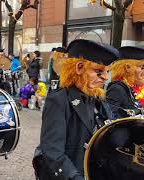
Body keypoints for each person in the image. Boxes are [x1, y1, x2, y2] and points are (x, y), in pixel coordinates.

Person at [34, 39, 119, 180]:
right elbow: (53, 152)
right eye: (98, 71)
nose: (105, 77)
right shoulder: (59, 100)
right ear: (79, 67)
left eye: (107, 72)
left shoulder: (98, 99)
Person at [106, 46, 144, 119]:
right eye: (142, 66)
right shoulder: (117, 89)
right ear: (127, 68)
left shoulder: (136, 88)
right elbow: (109, 120)